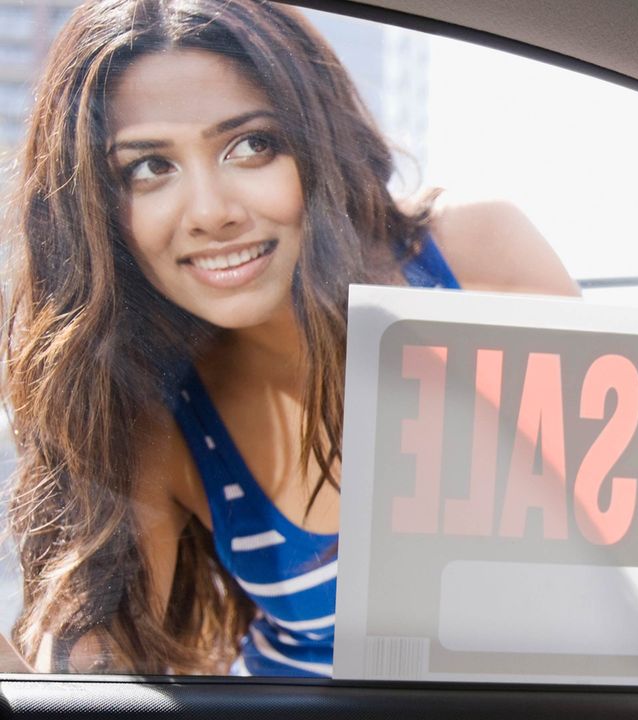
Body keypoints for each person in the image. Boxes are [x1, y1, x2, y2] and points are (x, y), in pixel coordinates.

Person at [2, 0, 575, 675]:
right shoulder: (160, 411)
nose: (212, 213)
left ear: (317, 144)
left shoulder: (474, 256)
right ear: (99, 212)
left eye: (252, 146)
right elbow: (94, 661)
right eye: (149, 168)